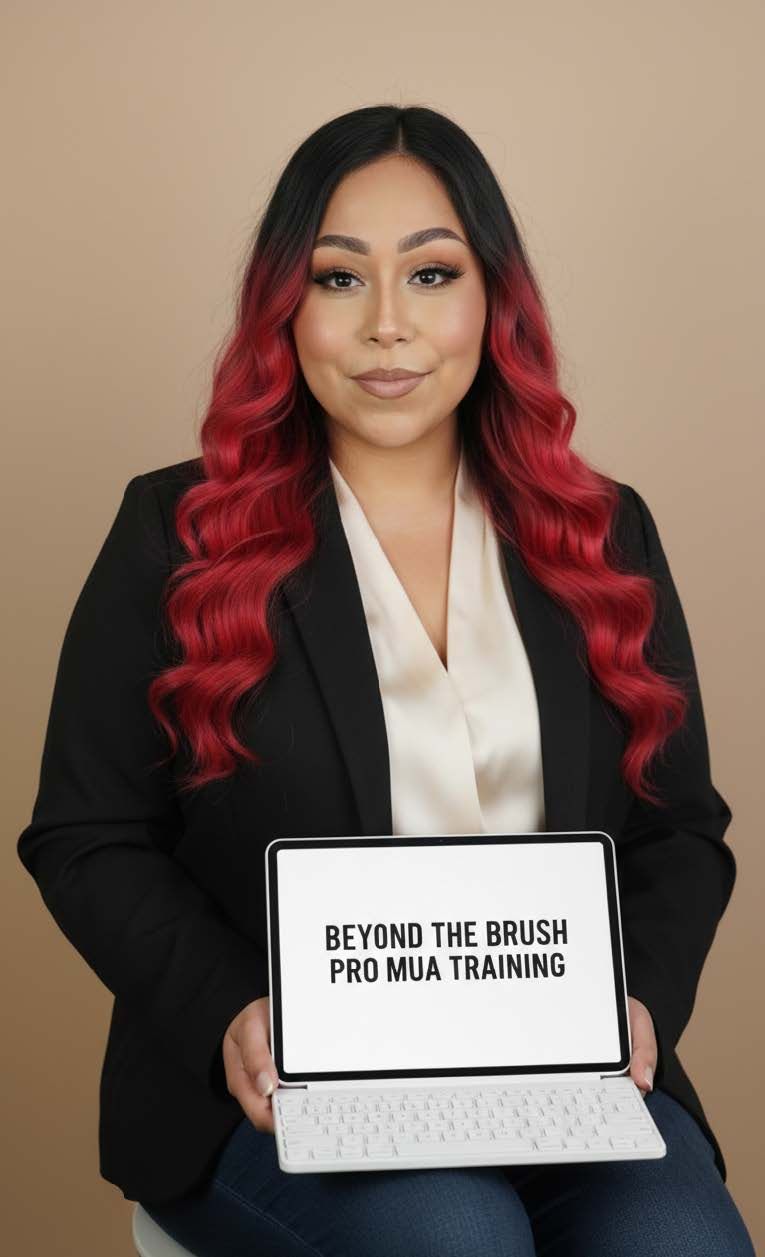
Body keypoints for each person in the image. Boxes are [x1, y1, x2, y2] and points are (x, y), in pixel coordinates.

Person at [17, 104, 755, 1255]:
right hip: (276, 1089)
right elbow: (87, 833)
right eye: (339, 278)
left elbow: (681, 832)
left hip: (561, 1075)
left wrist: (639, 1002)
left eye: (432, 273)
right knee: (454, 1232)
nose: (388, 326)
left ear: (494, 299)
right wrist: (230, 1014)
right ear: (285, 305)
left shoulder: (603, 534)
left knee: (679, 1244)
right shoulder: (177, 531)